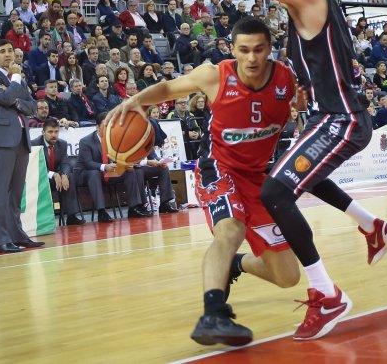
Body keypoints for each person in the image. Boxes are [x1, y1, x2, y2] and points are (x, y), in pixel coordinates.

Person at [151, 0, 387, 341]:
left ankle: (326, 292)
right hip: (330, 116)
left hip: (340, 118)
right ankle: (371, 226)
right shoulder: (315, 4)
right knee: (294, 175)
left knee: (276, 192)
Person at [106, 18, 301, 345]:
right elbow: (168, 88)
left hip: (258, 178)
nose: (252, 58)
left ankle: (236, 264)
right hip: (218, 168)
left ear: (270, 49)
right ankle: (213, 314)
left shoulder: (286, 79)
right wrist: (134, 101)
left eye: (259, 50)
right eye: (244, 50)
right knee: (231, 229)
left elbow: (301, 105)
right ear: (232, 49)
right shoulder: (215, 75)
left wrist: (300, 108)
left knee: (288, 277)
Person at [0, 39, 44, 254]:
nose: (8, 55)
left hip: (21, 140)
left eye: (10, 50)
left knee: (16, 194)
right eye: (3, 52)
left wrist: (16, 100)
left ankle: (17, 235)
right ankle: (1, 240)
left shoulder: (19, 79)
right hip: (0, 141)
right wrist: (16, 83)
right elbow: (7, 98)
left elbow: (32, 107)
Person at [74, 112, 152, 222]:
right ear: (97, 127)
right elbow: (87, 163)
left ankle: (134, 208)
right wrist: (105, 166)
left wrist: (124, 165)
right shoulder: (86, 141)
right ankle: (101, 212)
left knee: (131, 171)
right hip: (87, 173)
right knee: (94, 174)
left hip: (108, 171)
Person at [31, 118, 85, 225]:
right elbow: (36, 167)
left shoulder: (62, 144)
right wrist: (53, 174)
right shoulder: (35, 144)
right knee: (49, 179)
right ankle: (45, 219)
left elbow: (66, 162)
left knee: (70, 177)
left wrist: (64, 174)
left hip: (57, 179)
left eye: (56, 132)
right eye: (50, 132)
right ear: (43, 132)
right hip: (40, 178)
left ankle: (71, 216)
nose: (53, 135)